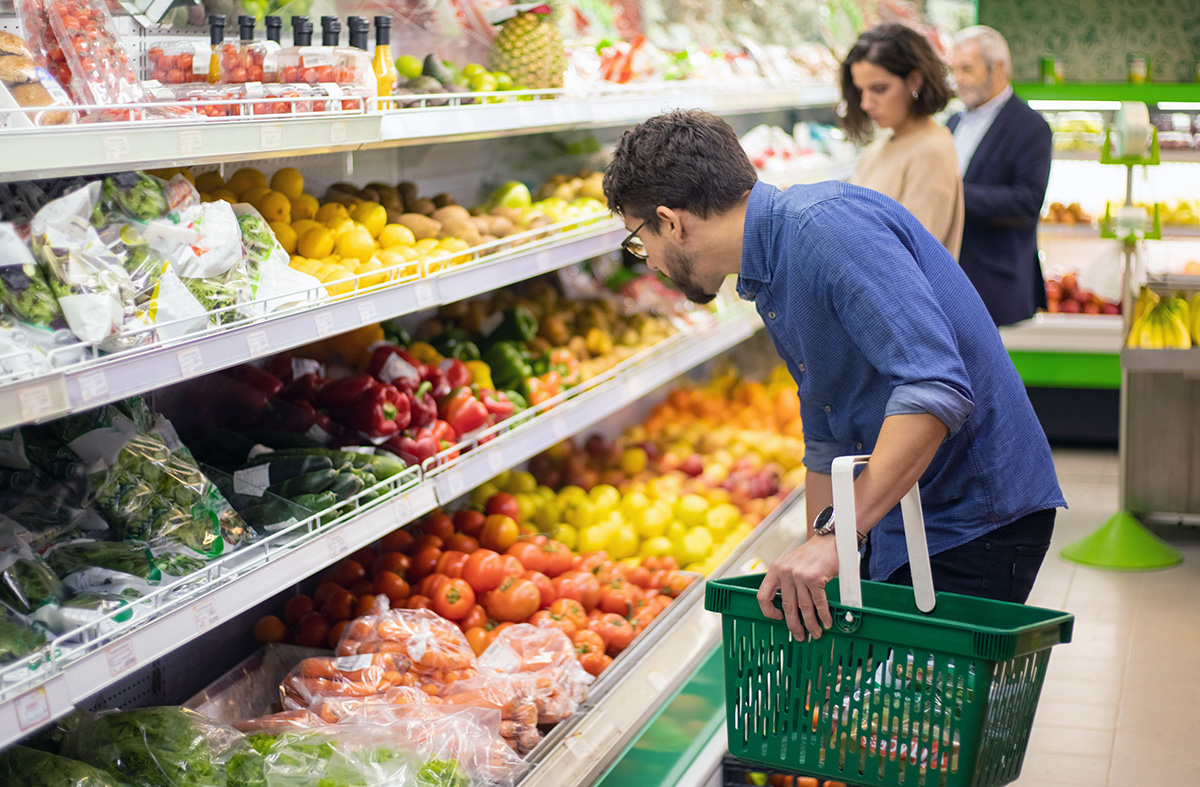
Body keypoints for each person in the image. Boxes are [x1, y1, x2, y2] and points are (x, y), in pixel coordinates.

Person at [602, 110, 1064, 641]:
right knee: (878, 715)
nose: (650, 262)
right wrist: (814, 555)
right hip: (904, 511)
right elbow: (827, 435)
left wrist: (840, 539)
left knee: (921, 718)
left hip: (972, 516)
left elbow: (935, 388)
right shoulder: (768, 271)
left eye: (640, 241)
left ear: (671, 221)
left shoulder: (824, 229)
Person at [949, 26, 1053, 326]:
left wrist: (951, 194)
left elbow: (1027, 202)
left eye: (966, 69)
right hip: (953, 281)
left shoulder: (1031, 127)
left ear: (998, 68)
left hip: (996, 287)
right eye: (954, 69)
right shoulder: (954, 121)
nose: (957, 79)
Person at [842, 23, 964, 259]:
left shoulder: (932, 150)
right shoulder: (878, 149)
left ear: (914, 82)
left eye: (879, 89)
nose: (866, 103)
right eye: (860, 91)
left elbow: (907, 256)